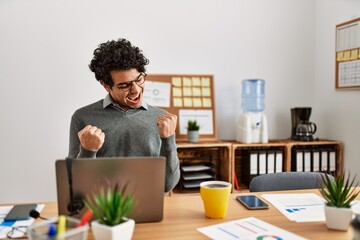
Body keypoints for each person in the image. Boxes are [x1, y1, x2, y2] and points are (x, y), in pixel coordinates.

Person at [68, 38, 180, 192]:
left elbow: (167, 186)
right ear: (106, 86)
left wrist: (168, 140)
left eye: (139, 79)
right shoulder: (83, 118)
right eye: (125, 85)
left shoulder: (162, 119)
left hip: (150, 208)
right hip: (103, 209)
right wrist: (88, 151)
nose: (136, 90)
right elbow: (77, 186)